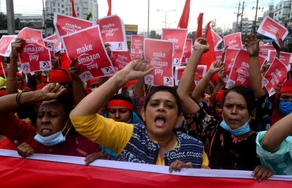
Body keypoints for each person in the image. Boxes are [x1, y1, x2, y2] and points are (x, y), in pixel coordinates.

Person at [70, 59, 209, 172]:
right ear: (143, 113)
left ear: (179, 117)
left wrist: (191, 176)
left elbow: (210, 183)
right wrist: (120, 78)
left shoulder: (194, 147)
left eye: (169, 105)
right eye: (155, 104)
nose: (161, 108)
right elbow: (80, 118)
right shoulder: (127, 135)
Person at [176, 37, 272, 180]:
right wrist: (198, 51)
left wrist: (269, 170)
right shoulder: (211, 130)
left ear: (252, 113)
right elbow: (183, 95)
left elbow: (258, 91)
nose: (233, 111)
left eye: (240, 107)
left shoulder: (264, 141)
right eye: (228, 106)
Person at [0, 83, 101, 157]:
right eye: (40, 115)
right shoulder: (27, 136)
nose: (44, 120)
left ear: (69, 123)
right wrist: (38, 95)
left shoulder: (86, 147)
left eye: (52, 115)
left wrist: (101, 160)